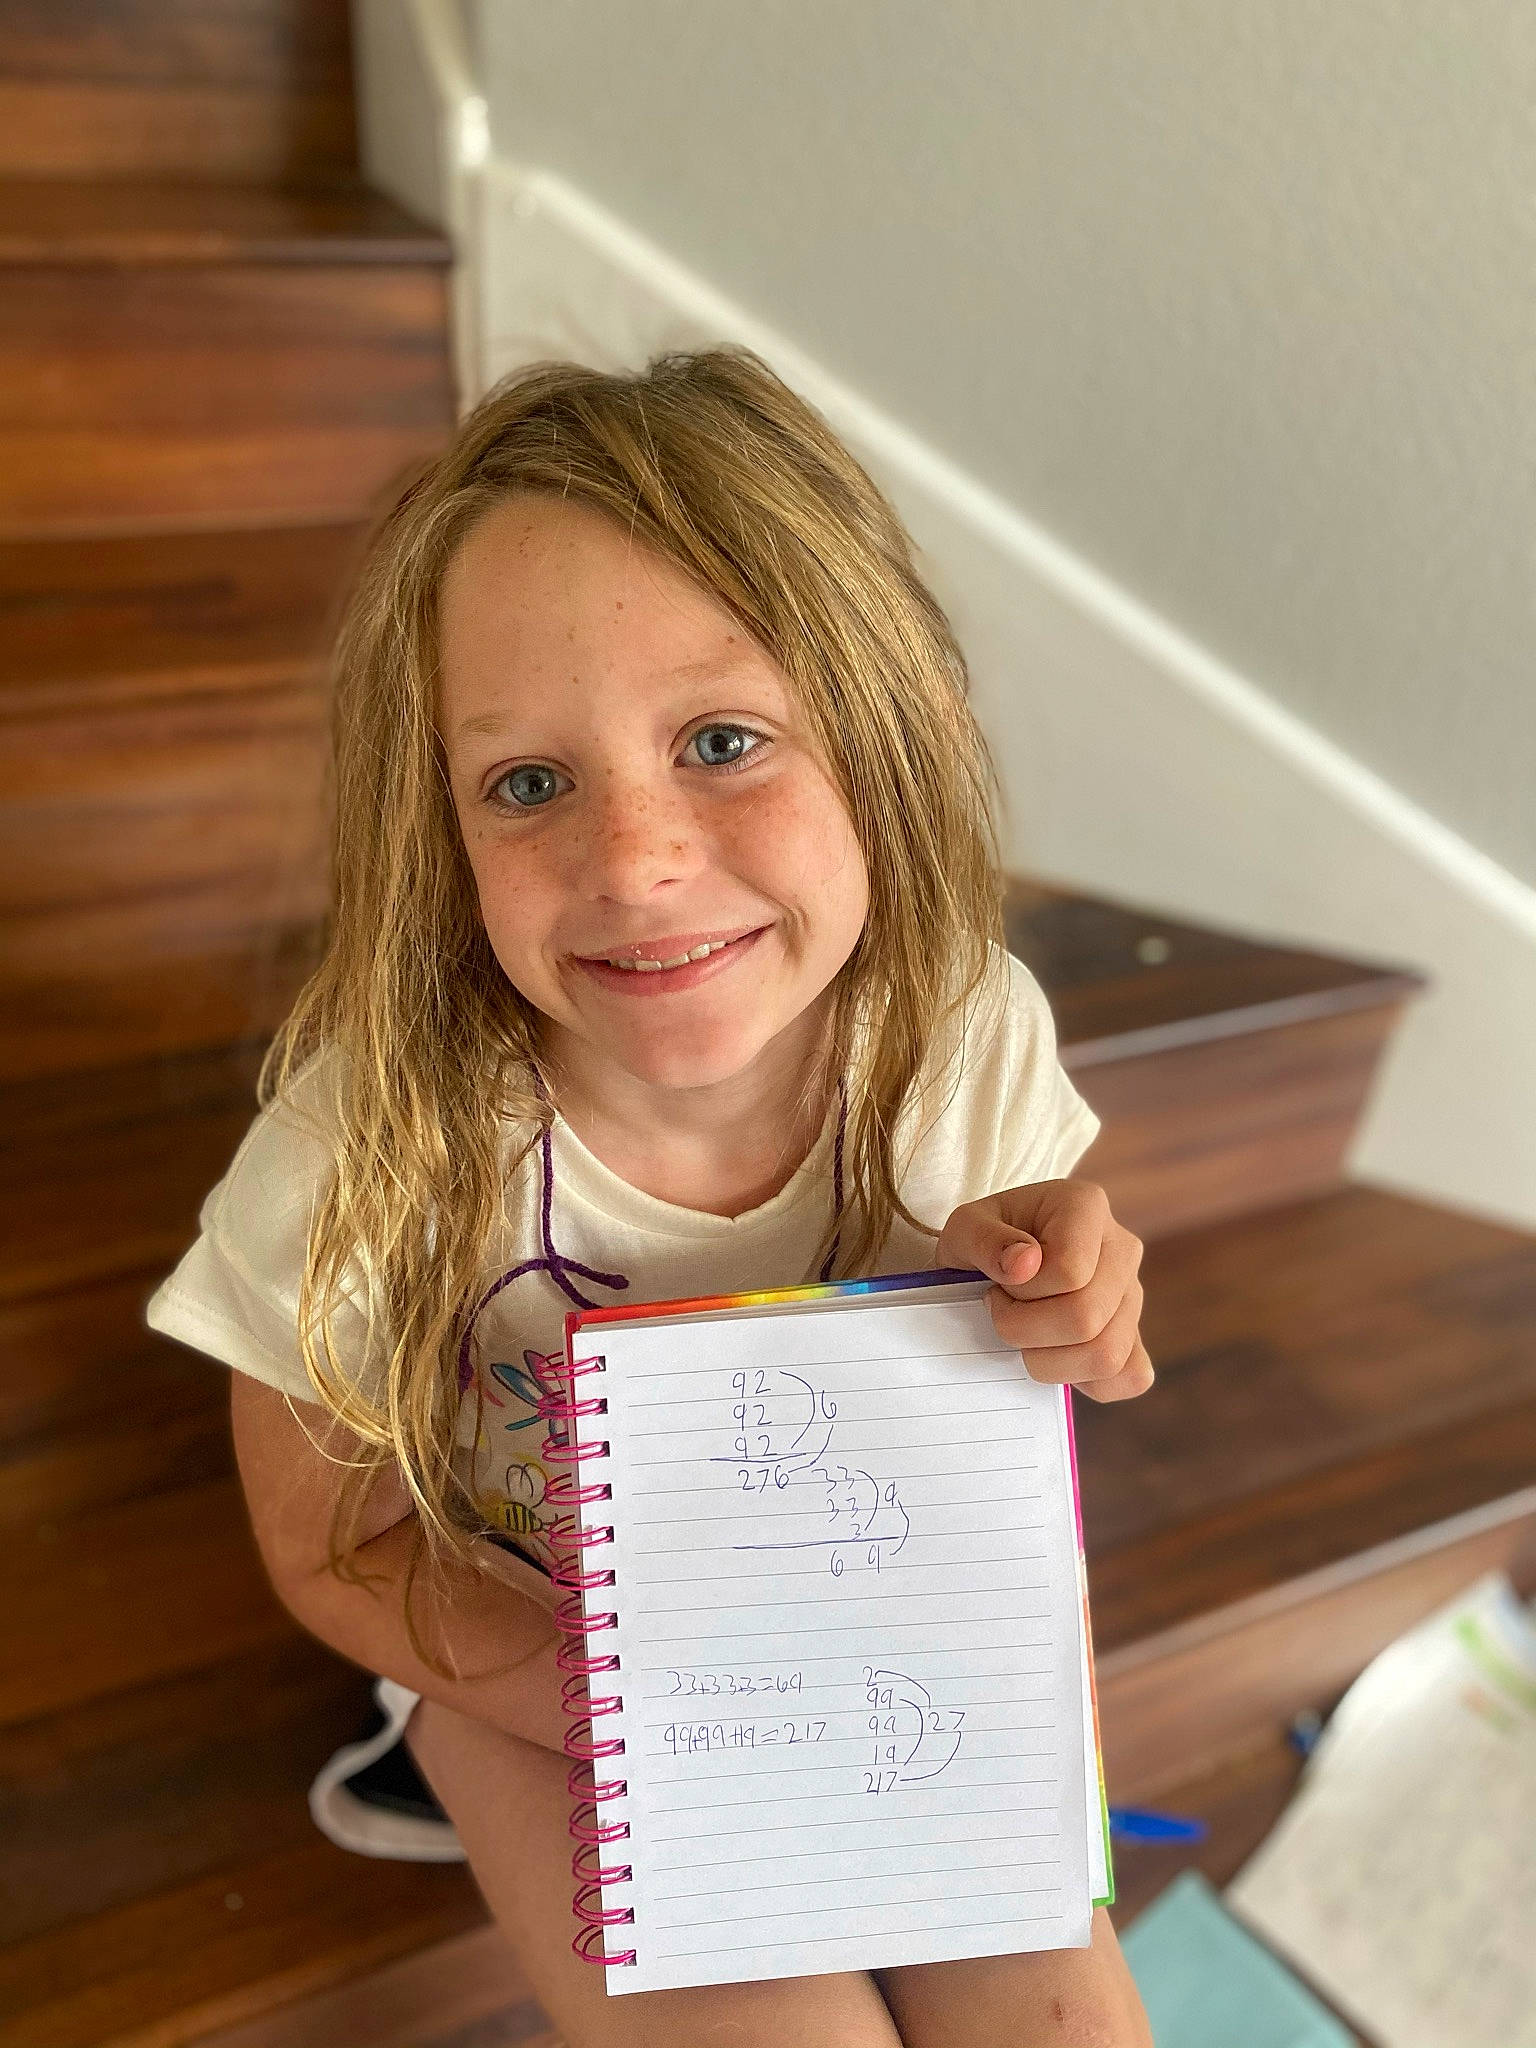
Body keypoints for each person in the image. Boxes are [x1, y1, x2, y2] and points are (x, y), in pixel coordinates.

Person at [146, 347, 1153, 2047]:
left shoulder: (965, 1028)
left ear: (886, 739)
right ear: (438, 830)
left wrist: (1069, 1290)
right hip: (517, 1634)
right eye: (527, 783)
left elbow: (1051, 1301)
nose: (634, 861)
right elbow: (338, 1549)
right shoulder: (368, 1149)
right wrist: (666, 1707)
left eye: (723, 739)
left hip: (856, 1632)